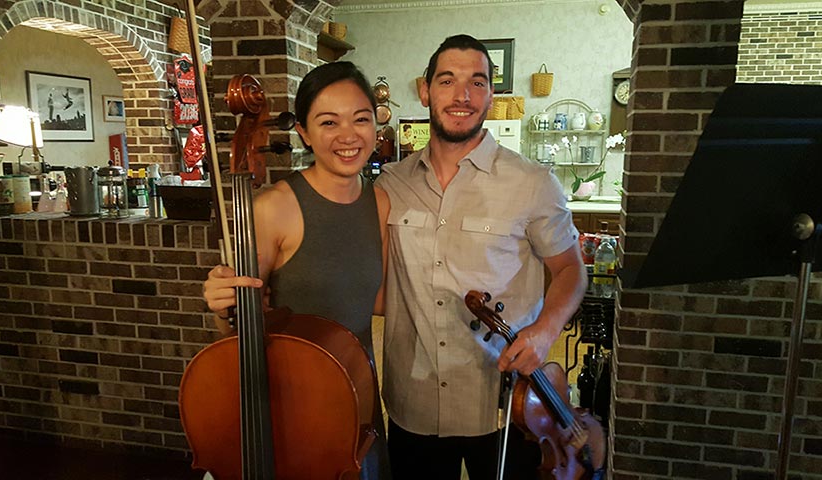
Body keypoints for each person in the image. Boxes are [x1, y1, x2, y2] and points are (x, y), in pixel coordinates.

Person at [375, 34, 588, 479]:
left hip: (501, 405)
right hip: (414, 402)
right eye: (447, 80)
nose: (462, 95)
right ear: (425, 89)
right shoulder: (390, 183)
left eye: (477, 82)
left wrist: (544, 332)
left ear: (491, 94)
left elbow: (570, 270)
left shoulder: (533, 182)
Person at [202, 61, 391, 480]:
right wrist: (221, 307)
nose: (348, 136)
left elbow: (376, 302)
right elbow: (238, 328)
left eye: (361, 119)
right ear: (303, 132)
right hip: (290, 408)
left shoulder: (380, 203)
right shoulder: (273, 207)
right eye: (328, 122)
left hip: (357, 400)